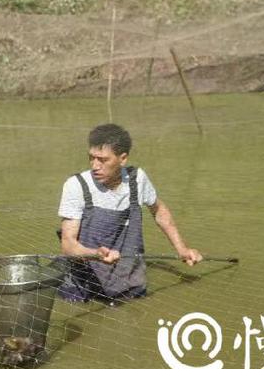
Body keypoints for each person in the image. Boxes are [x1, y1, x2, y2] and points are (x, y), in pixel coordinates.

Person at [57, 123, 202, 303]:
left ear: (122, 158)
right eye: (91, 158)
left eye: (103, 160)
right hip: (84, 285)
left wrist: (182, 248)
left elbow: (160, 211)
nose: (95, 166)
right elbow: (68, 244)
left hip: (128, 282)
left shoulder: (137, 179)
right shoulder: (75, 185)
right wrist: (96, 254)